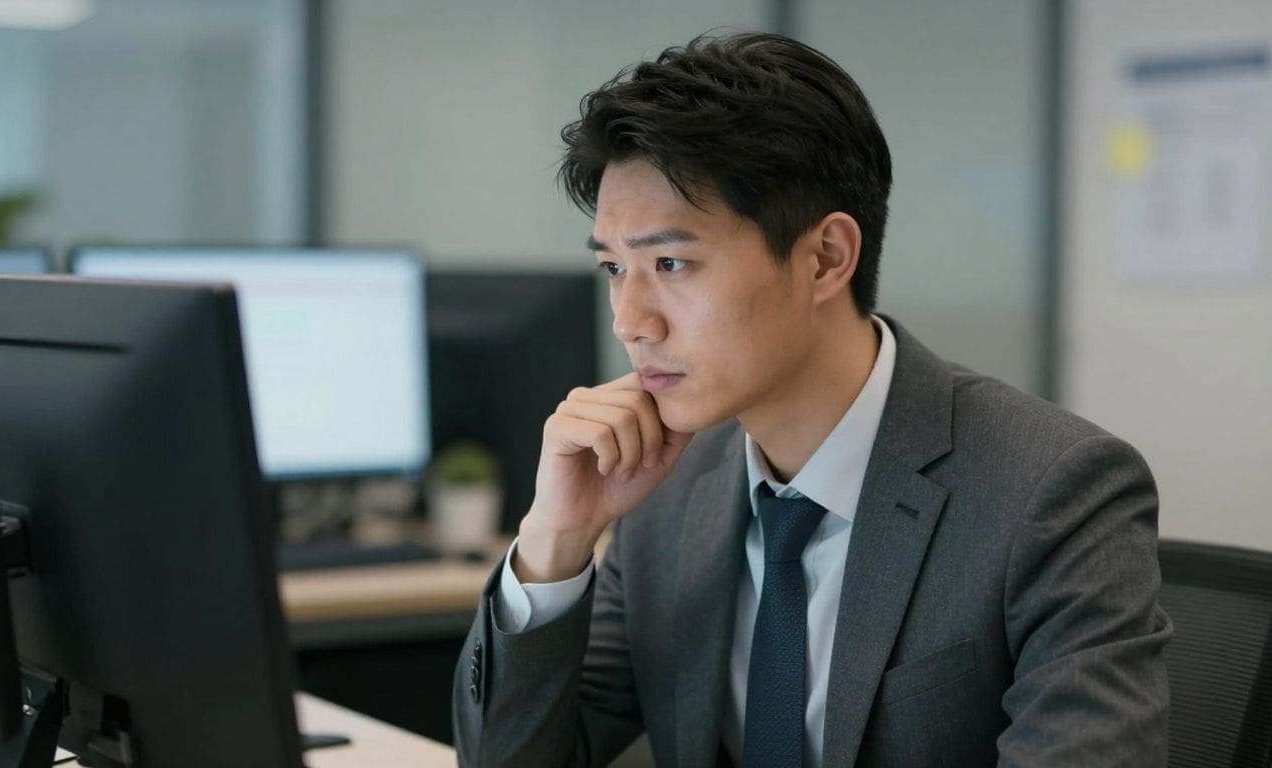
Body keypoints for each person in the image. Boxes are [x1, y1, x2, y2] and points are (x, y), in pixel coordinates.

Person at [452, 31, 1170, 768]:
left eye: (671, 262)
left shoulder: (1055, 492)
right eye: (613, 268)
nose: (629, 321)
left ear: (826, 258)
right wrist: (555, 542)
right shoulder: (671, 495)